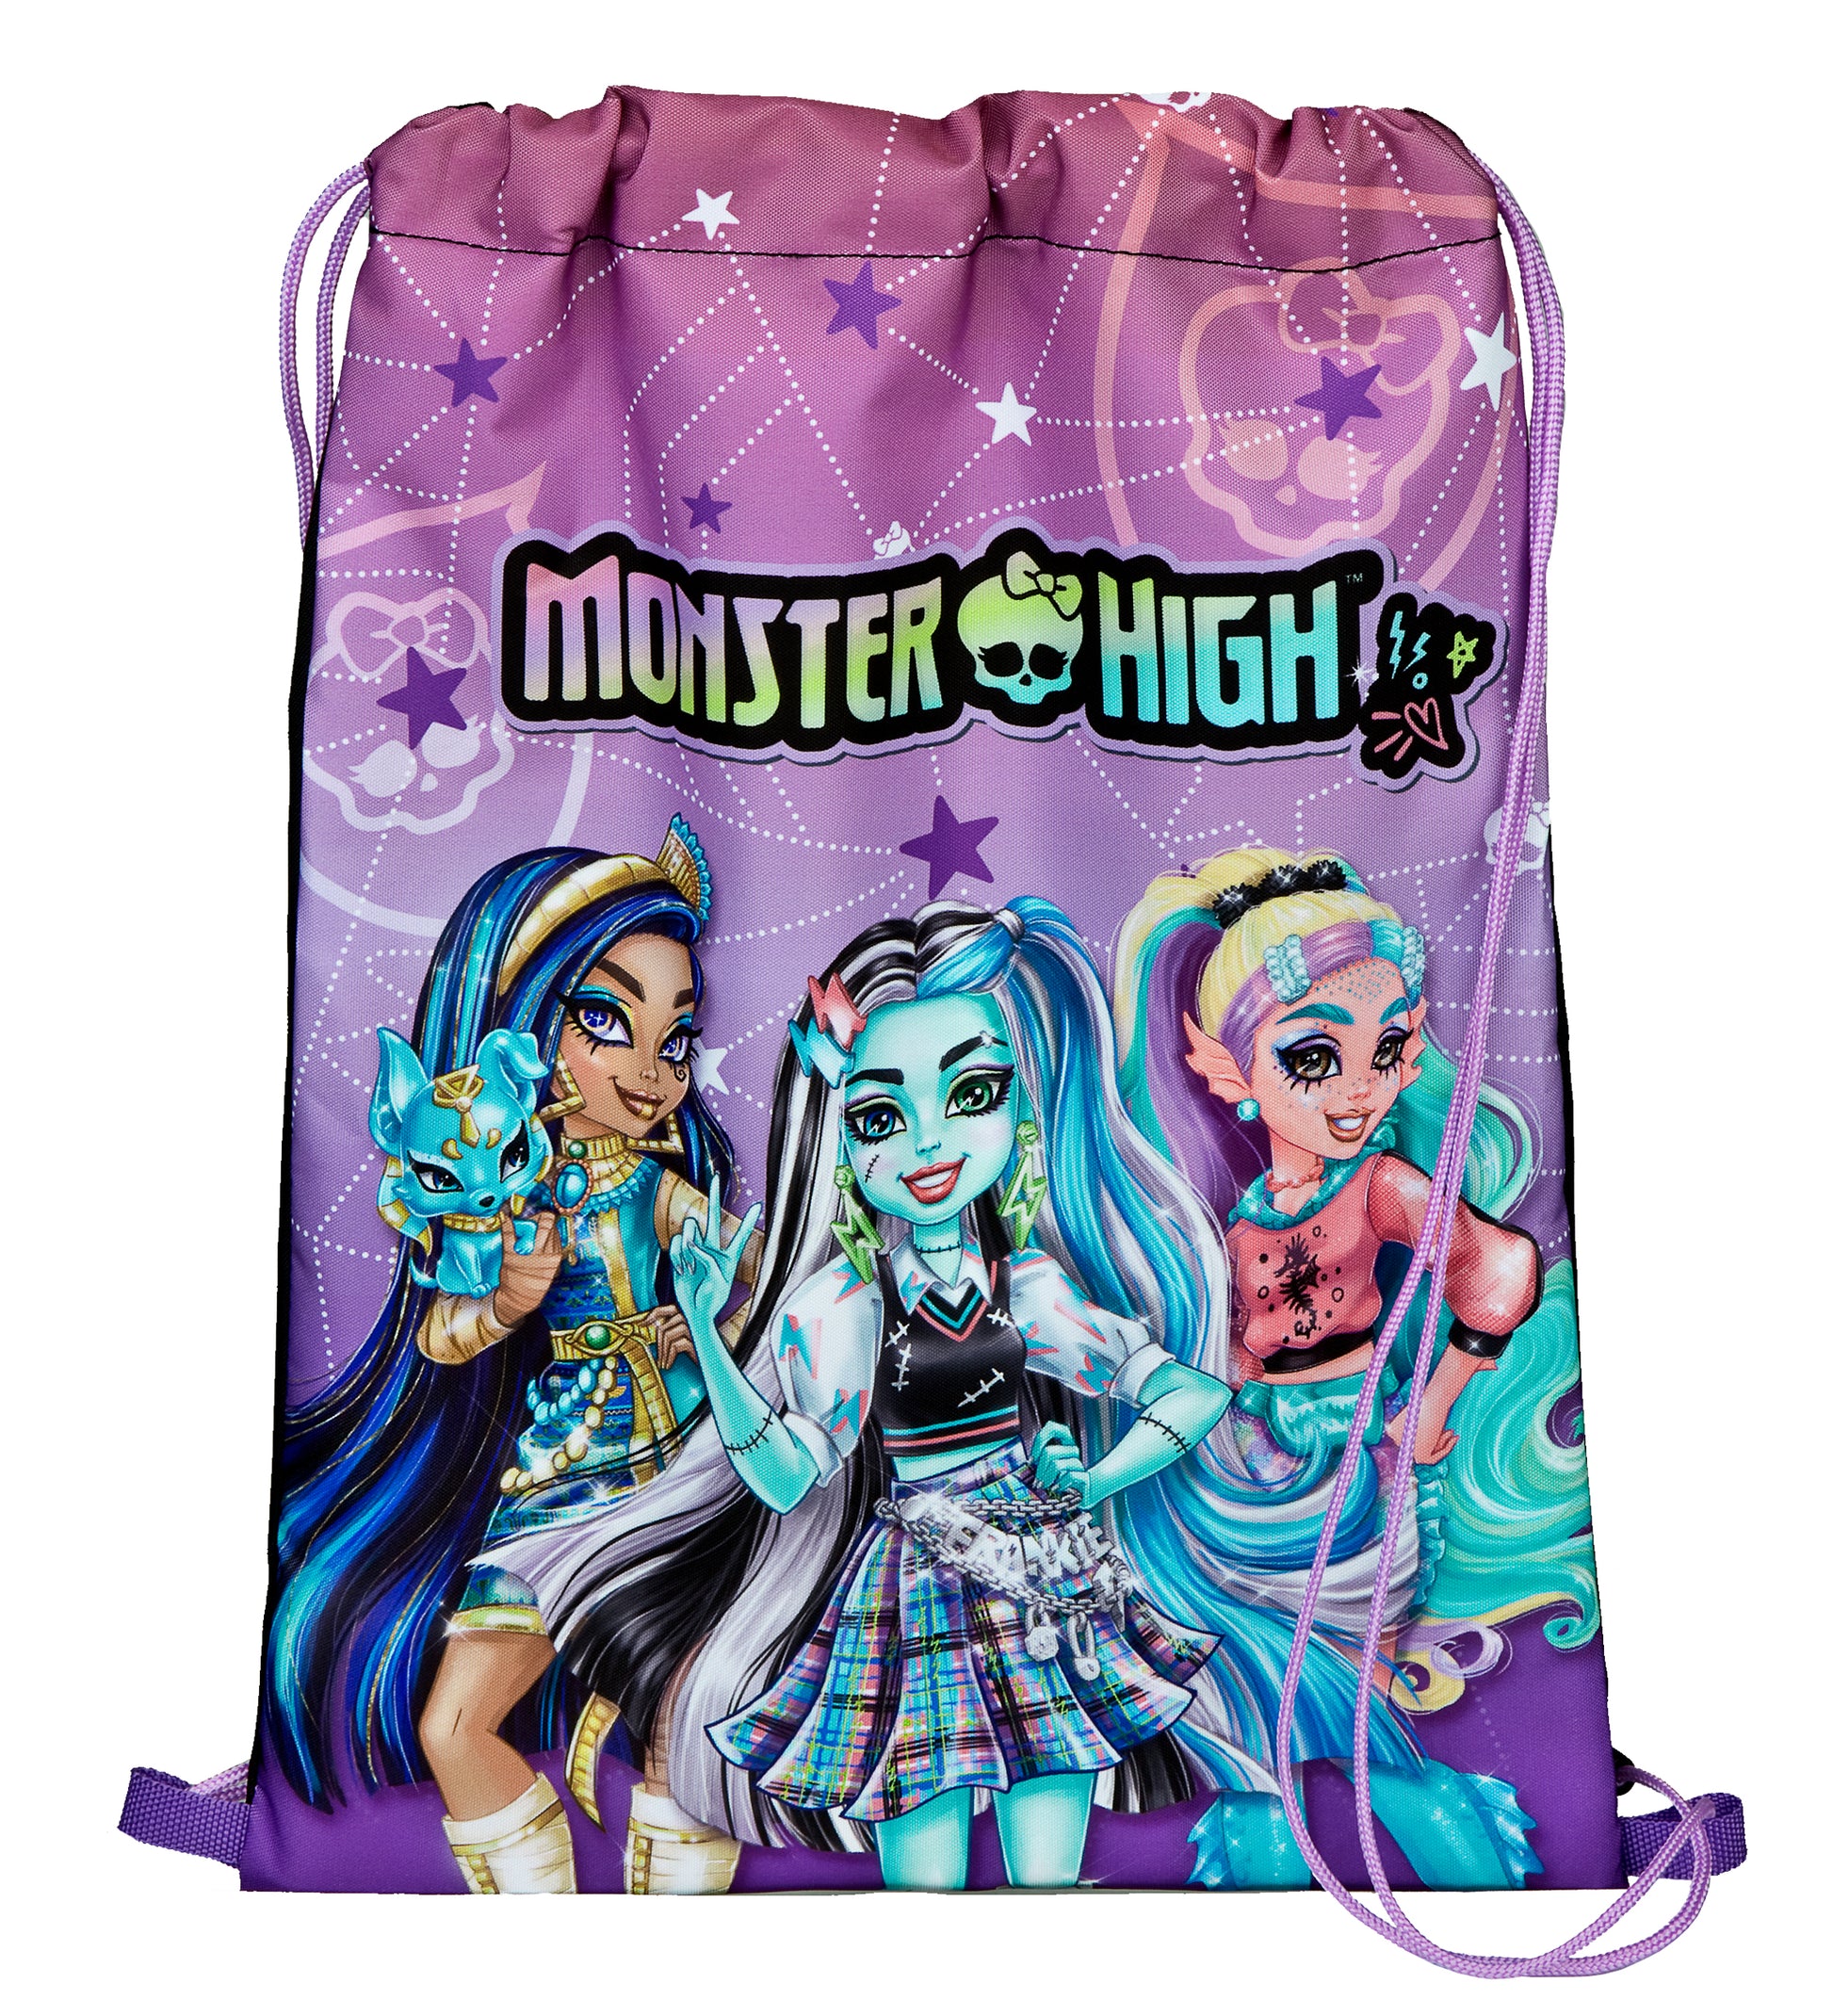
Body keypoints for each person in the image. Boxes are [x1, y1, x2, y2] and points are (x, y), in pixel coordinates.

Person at [266, 819, 756, 1894]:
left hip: (681, 1458)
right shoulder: (497, 1184)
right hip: (560, 1466)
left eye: (676, 1037)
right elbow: (440, 1336)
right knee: (456, 1724)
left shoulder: (653, 1185)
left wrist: (721, 1319)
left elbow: (749, 1267)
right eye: (606, 1021)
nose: (650, 1070)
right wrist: (503, 1302)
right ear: (526, 1024)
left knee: (684, 1717)